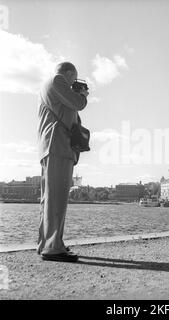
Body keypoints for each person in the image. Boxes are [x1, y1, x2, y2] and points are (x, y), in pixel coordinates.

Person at [37, 62, 89, 262]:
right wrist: (82, 94)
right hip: (57, 146)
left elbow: (68, 113)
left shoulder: (46, 86)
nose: (73, 84)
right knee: (57, 198)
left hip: (51, 147)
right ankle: (53, 248)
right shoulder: (58, 81)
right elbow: (79, 104)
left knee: (49, 199)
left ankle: (46, 243)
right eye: (74, 80)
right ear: (68, 73)